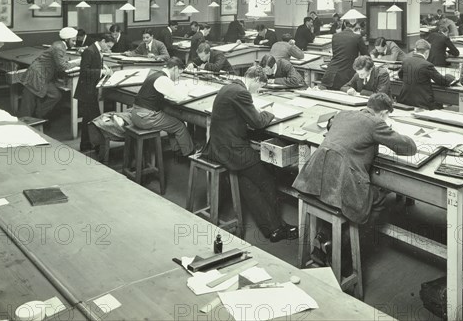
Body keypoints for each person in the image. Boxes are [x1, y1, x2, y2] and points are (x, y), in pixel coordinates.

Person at [203, 66, 298, 242]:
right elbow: (257, 122)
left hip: (217, 147)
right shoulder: (242, 93)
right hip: (232, 150)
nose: (258, 91)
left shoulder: (229, 87)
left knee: (247, 182)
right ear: (255, 80)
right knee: (267, 178)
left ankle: (273, 229)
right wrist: (269, 112)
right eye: (260, 87)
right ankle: (276, 227)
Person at [293, 93, 416, 225]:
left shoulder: (342, 114)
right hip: (342, 183)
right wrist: (391, 132)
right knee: (379, 199)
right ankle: (350, 243)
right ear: (384, 113)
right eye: (387, 117)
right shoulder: (376, 123)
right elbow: (409, 148)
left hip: (313, 179)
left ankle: (325, 237)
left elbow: (331, 124)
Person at [130, 57, 194, 156]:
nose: (177, 77)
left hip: (137, 113)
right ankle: (189, 153)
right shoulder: (163, 79)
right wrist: (187, 89)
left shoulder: (156, 74)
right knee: (179, 126)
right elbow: (180, 98)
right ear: (175, 68)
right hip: (146, 117)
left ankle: (176, 149)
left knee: (172, 120)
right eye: (179, 74)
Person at [19, 27, 79, 119]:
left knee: (55, 95)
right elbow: (62, 66)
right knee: (28, 103)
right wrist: (78, 62)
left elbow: (60, 62)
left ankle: (38, 115)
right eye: (73, 41)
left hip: (43, 74)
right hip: (37, 74)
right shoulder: (59, 47)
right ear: (66, 39)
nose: (74, 43)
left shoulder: (60, 45)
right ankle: (24, 123)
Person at [74, 34, 115, 152]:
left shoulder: (97, 49)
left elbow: (94, 64)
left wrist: (104, 68)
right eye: (107, 46)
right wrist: (101, 71)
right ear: (102, 41)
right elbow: (84, 71)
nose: (108, 49)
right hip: (86, 90)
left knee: (90, 118)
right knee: (92, 118)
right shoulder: (89, 51)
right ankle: (92, 145)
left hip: (91, 90)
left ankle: (89, 145)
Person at [397, 39, 458, 110]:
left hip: (405, 100)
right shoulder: (427, 65)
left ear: (416, 50)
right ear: (426, 52)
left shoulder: (406, 61)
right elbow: (442, 81)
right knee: (443, 107)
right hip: (422, 102)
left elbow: (400, 75)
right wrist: (451, 77)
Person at [320, 19, 368, 90]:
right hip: (346, 76)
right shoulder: (357, 37)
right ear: (356, 25)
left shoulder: (335, 36)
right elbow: (366, 56)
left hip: (331, 74)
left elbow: (336, 53)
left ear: (344, 24)